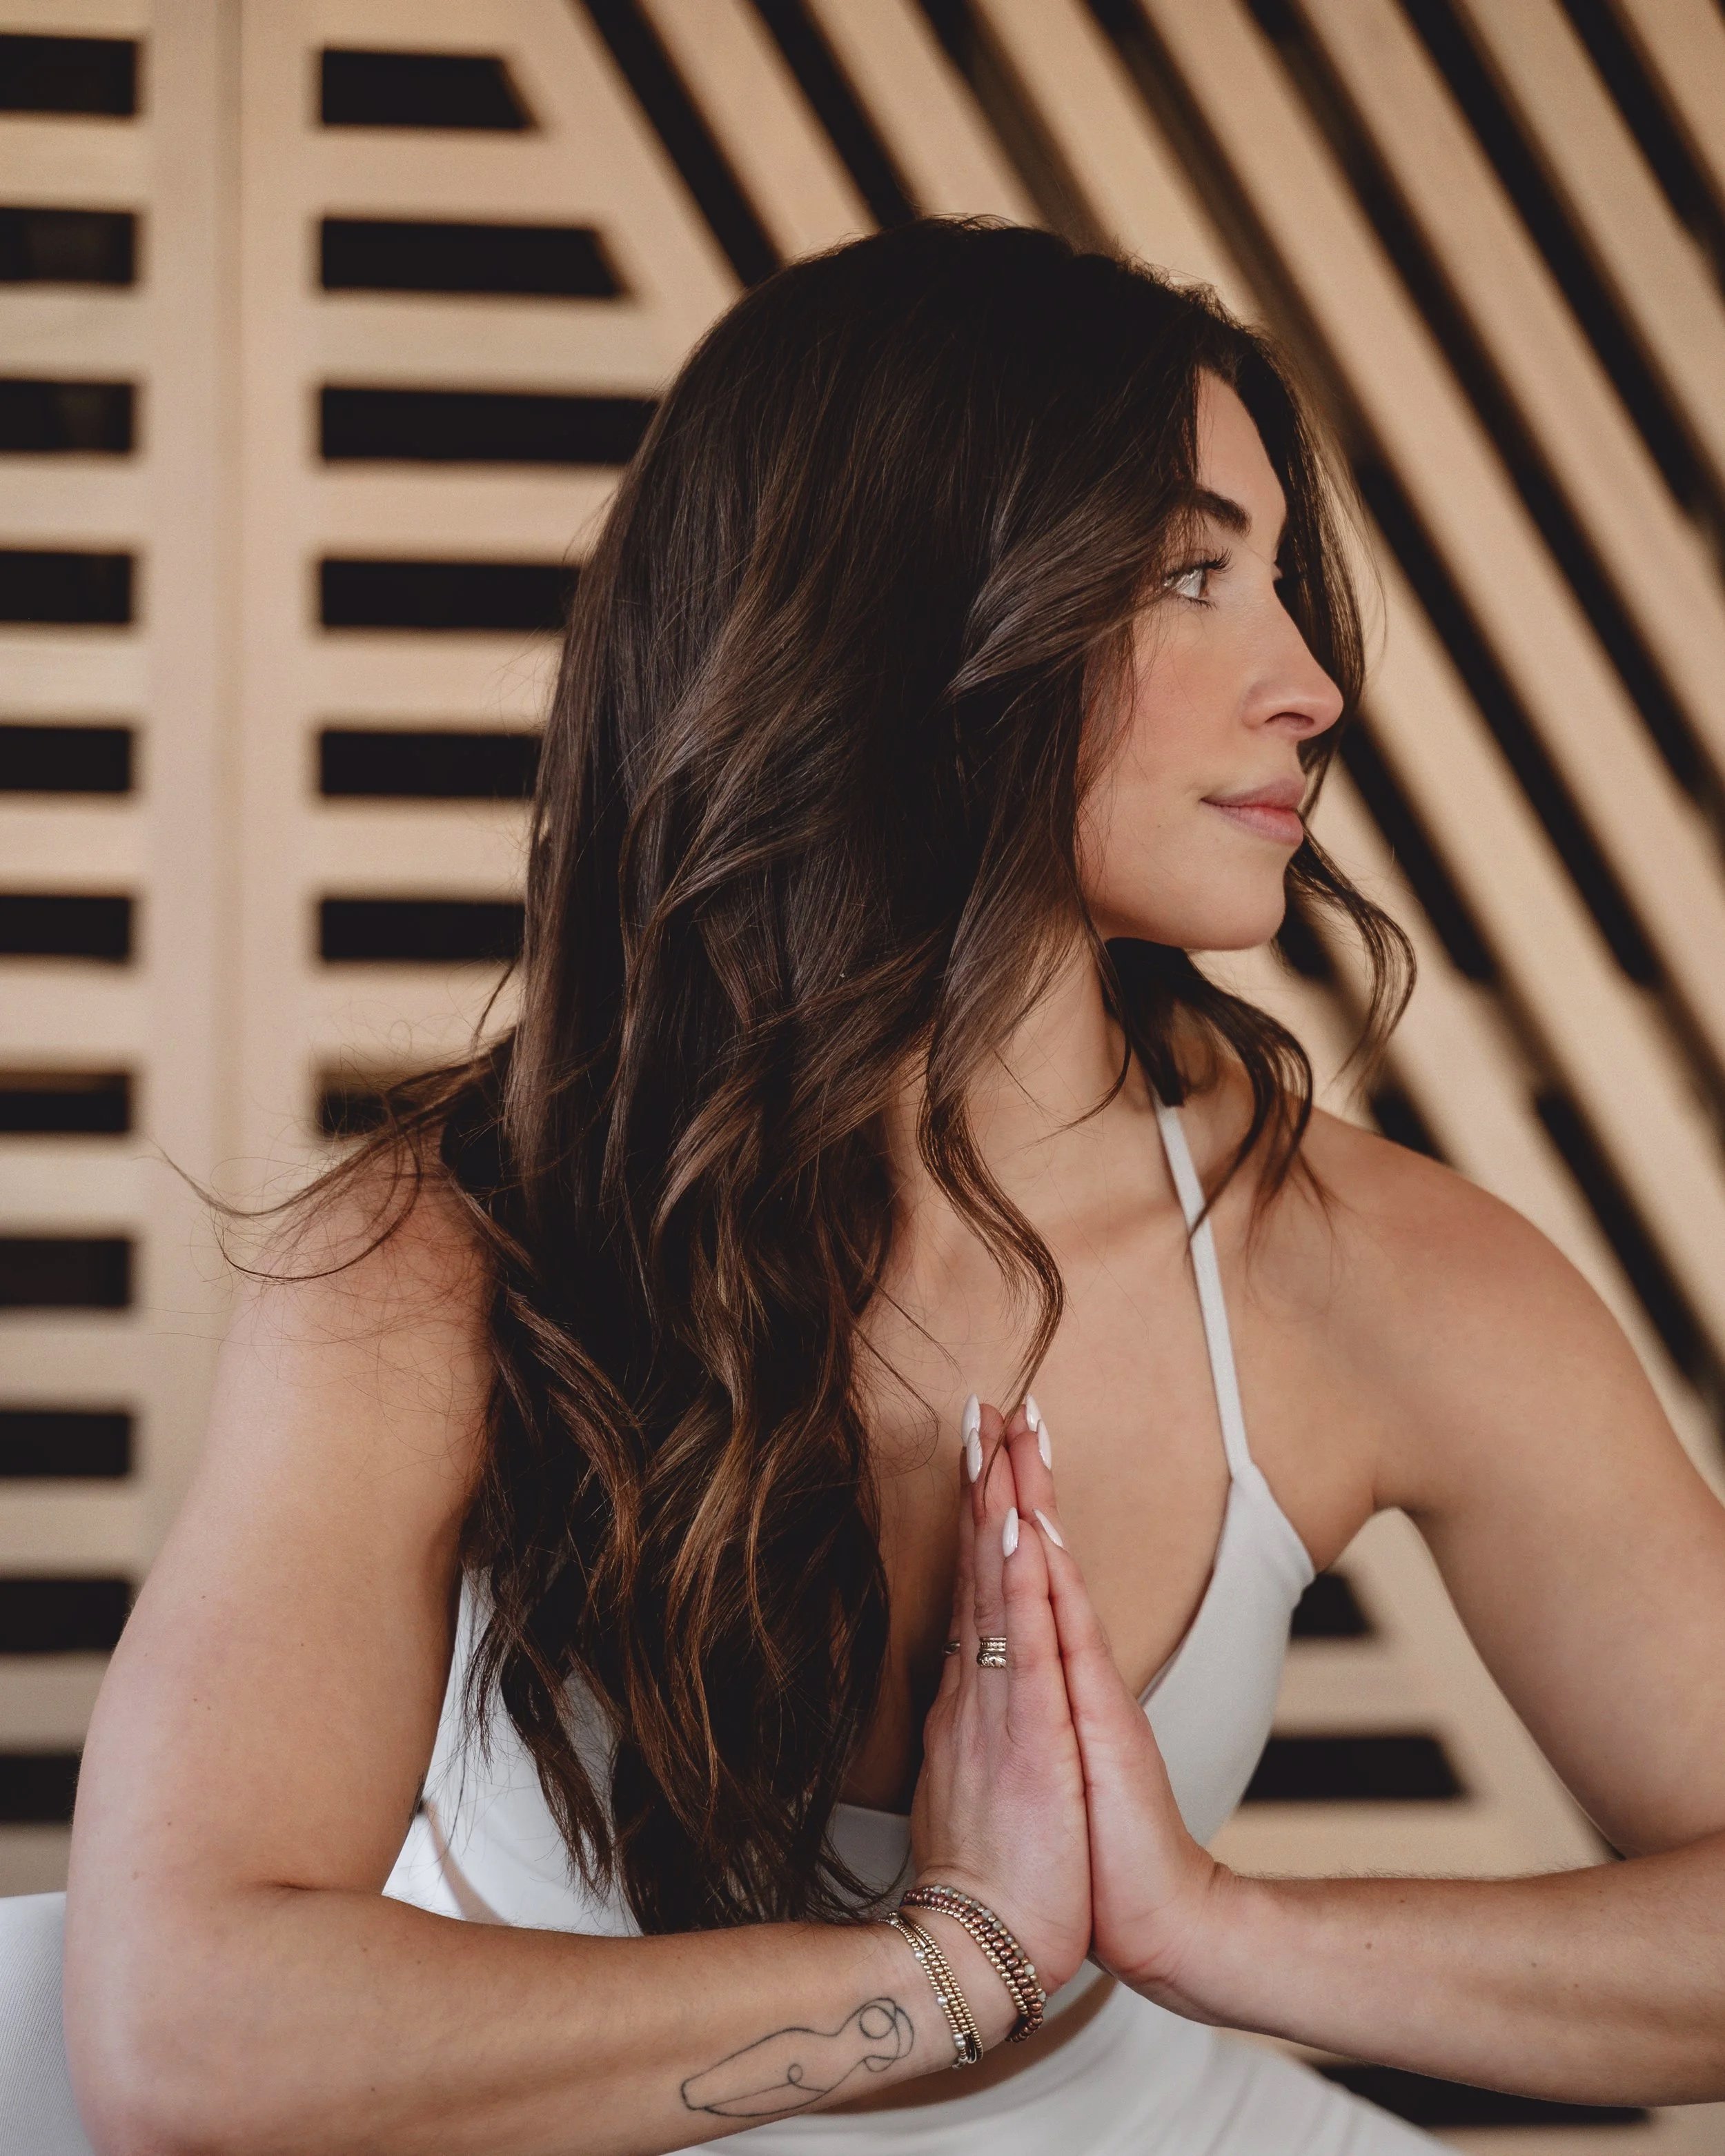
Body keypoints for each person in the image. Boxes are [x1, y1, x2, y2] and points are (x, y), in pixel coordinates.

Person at [57, 218, 1725, 2156]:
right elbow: (182, 2044)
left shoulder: (1377, 1274)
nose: (1309, 686)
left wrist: (1209, 1931)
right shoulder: (437, 1264)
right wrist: (951, 1970)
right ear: (907, 620)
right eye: (1193, 574)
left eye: (1279, 580)